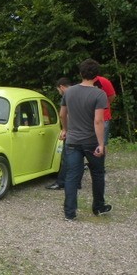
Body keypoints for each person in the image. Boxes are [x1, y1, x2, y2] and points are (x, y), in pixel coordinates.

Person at [60, 59, 111, 221]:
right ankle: (98, 207)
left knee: (72, 176)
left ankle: (69, 213)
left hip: (73, 141)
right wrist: (101, 144)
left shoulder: (69, 92)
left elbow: (62, 114)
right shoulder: (99, 94)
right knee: (97, 173)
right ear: (96, 76)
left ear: (81, 73)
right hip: (91, 142)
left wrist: (65, 129)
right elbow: (98, 121)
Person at [46, 77, 75, 190]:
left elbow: (63, 115)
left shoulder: (67, 95)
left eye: (58, 90)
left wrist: (64, 129)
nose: (59, 92)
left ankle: (61, 182)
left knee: (67, 156)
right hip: (85, 131)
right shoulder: (82, 92)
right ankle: (76, 182)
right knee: (78, 157)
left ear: (62, 87)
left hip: (72, 130)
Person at [94, 74, 116, 144]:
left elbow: (112, 96)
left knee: (103, 143)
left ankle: (103, 154)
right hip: (88, 118)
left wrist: (103, 105)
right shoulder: (83, 84)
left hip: (104, 117)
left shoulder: (103, 81)